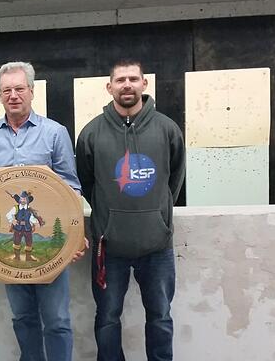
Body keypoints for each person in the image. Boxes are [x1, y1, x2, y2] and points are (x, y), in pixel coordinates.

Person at [0, 61, 85, 361]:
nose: (13, 95)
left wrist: (75, 235)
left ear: (32, 91)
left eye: (20, 88)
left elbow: (71, 189)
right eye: (6, 90)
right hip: (7, 253)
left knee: (57, 320)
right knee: (22, 318)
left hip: (53, 247)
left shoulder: (55, 133)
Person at [75, 59, 185, 361]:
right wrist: (110, 219)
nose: (127, 85)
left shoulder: (167, 129)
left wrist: (158, 218)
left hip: (157, 246)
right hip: (109, 248)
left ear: (144, 84)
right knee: (108, 318)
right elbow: (87, 182)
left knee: (160, 317)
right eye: (120, 80)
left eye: (133, 79)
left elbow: (173, 180)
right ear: (109, 87)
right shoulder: (91, 134)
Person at [6, 191, 42, 261]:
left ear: (27, 200)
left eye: (24, 199)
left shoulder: (29, 209)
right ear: (19, 200)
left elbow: (32, 218)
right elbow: (8, 215)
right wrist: (12, 220)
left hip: (27, 228)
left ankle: (28, 258)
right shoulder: (15, 208)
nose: (23, 200)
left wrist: (36, 222)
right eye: (21, 199)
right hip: (18, 228)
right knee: (16, 242)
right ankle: (17, 257)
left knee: (29, 243)